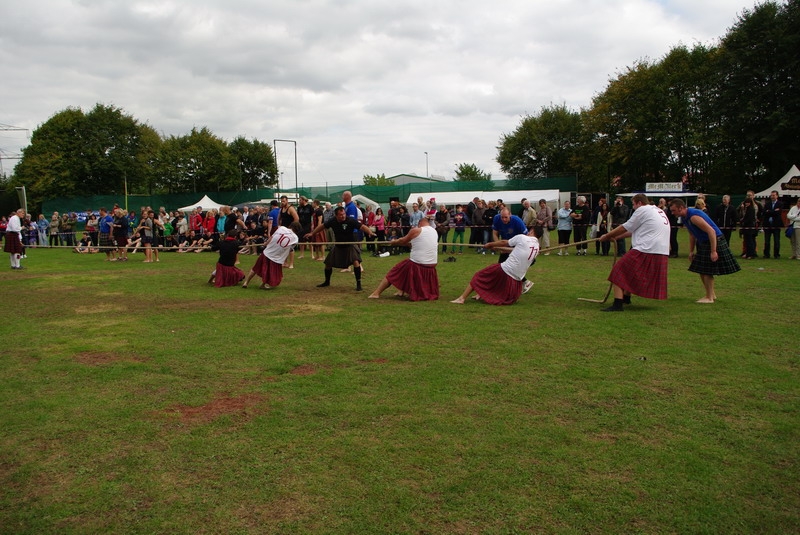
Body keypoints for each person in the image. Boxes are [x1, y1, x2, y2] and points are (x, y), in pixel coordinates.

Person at [598, 194, 670, 312]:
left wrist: (607, 236)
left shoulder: (642, 210)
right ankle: (626, 297)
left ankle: (618, 304)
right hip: (660, 250)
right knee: (630, 273)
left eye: (633, 204)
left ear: (639, 203)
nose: (633, 207)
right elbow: (632, 231)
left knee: (618, 270)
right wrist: (615, 237)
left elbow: (624, 227)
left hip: (647, 248)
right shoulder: (656, 210)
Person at [669, 199, 741, 303]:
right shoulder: (685, 218)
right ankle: (711, 294)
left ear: (681, 208)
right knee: (701, 270)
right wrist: (691, 251)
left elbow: (711, 231)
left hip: (714, 240)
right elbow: (692, 234)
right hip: (704, 242)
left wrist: (713, 251)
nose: (672, 213)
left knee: (707, 271)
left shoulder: (693, 217)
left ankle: (709, 298)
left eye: (673, 210)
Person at [451, 227, 540, 305]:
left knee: (479, 276)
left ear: (532, 232)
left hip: (506, 269)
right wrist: (497, 248)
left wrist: (490, 244)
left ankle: (461, 298)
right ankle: (480, 294)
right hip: (517, 278)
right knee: (493, 280)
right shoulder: (537, 247)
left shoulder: (522, 238)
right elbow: (517, 251)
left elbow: (504, 242)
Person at [305, 206, 375, 292]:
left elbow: (362, 226)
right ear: (336, 215)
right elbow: (322, 226)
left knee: (356, 262)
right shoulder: (333, 221)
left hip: (350, 245)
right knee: (328, 264)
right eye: (341, 215)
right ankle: (327, 282)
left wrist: (370, 232)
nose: (343, 216)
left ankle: (358, 284)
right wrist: (313, 233)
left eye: (344, 214)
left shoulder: (350, 220)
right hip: (338, 245)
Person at [368, 217, 439, 300]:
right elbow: (413, 244)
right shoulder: (434, 232)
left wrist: (394, 242)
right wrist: (403, 243)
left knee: (394, 272)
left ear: (419, 223)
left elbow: (403, 241)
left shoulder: (416, 230)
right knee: (405, 270)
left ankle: (376, 293)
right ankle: (400, 291)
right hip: (432, 263)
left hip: (417, 263)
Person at [242, 223, 300, 289]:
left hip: (267, 252)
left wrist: (266, 244)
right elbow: (290, 250)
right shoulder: (295, 238)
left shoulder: (281, 228)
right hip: (276, 258)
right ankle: (263, 284)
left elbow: (272, 237)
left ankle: (246, 282)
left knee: (255, 268)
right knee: (270, 272)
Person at [762, 190, 783, 259]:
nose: (772, 197)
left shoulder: (780, 204)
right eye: (771, 195)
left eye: (774, 195)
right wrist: (773, 211)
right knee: (767, 241)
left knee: (776, 241)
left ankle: (776, 255)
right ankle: (766, 254)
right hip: (767, 225)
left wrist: (769, 211)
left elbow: (778, 213)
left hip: (776, 225)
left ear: (777, 196)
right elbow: (764, 212)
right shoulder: (767, 204)